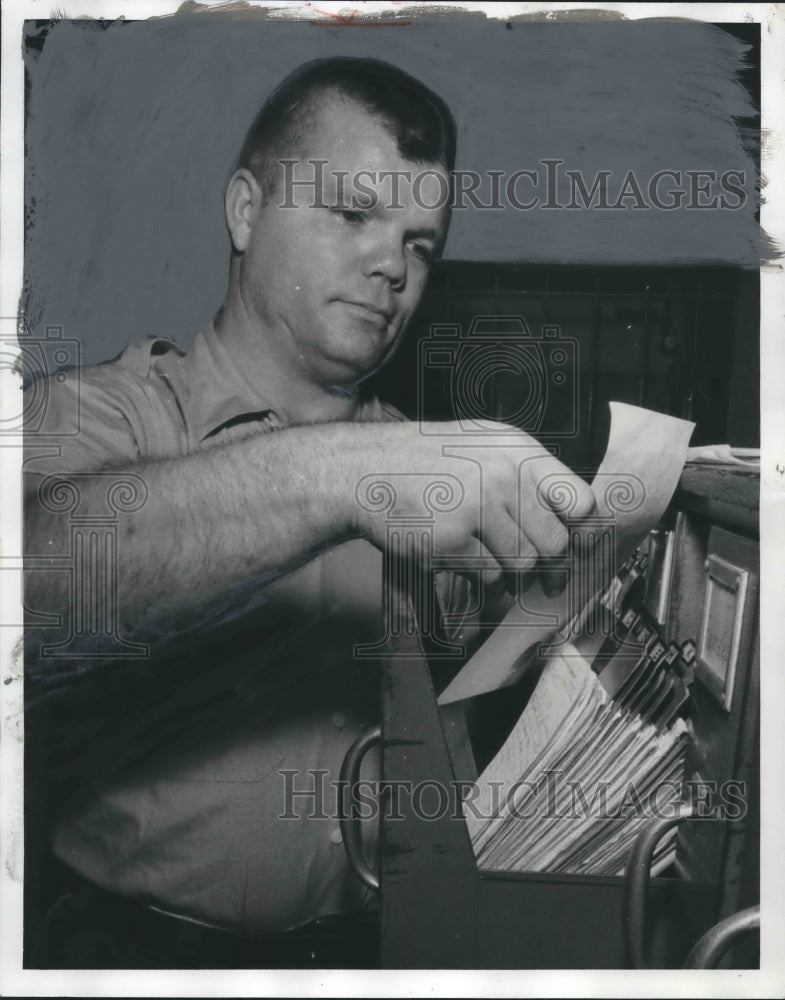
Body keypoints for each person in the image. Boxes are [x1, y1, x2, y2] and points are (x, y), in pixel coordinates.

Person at [23, 57, 596, 968]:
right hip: (132, 952)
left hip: (377, 950)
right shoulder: (105, 413)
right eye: (352, 214)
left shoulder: (426, 460)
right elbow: (36, 581)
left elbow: (481, 680)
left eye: (420, 244)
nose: (390, 267)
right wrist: (352, 476)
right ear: (246, 212)